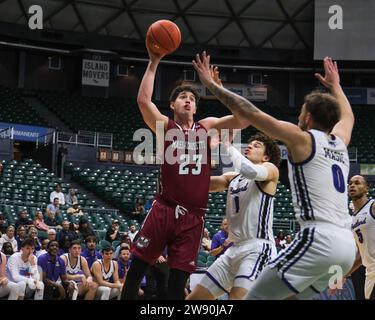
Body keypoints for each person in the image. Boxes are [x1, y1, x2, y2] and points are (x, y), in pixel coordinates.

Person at [196, 55, 357, 299]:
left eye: (301, 113)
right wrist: (336, 86)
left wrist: (213, 86)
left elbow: (250, 112)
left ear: (308, 118)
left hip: (318, 238)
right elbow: (348, 117)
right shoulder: (340, 142)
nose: (299, 117)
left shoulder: (302, 138)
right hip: (345, 247)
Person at [122, 50, 248, 300]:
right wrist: (154, 62)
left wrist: (219, 90)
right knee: (137, 269)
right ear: (172, 105)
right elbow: (144, 102)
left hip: (193, 217)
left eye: (192, 97)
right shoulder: (166, 128)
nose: (188, 100)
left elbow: (243, 119)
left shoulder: (207, 126)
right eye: (182, 97)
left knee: (177, 283)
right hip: (164, 209)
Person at [187, 133, 280, 300]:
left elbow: (250, 170)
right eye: (249, 144)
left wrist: (227, 145)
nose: (250, 146)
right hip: (233, 250)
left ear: (266, 156)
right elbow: (203, 185)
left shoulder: (271, 170)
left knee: (237, 298)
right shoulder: (233, 177)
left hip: (257, 248)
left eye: (256, 145)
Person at [346, 175, 375, 300]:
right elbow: (361, 254)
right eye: (350, 183)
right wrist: (344, 274)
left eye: (357, 183)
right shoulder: (353, 219)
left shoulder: (373, 206)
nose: (352, 185)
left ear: (366, 189)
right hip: (369, 273)